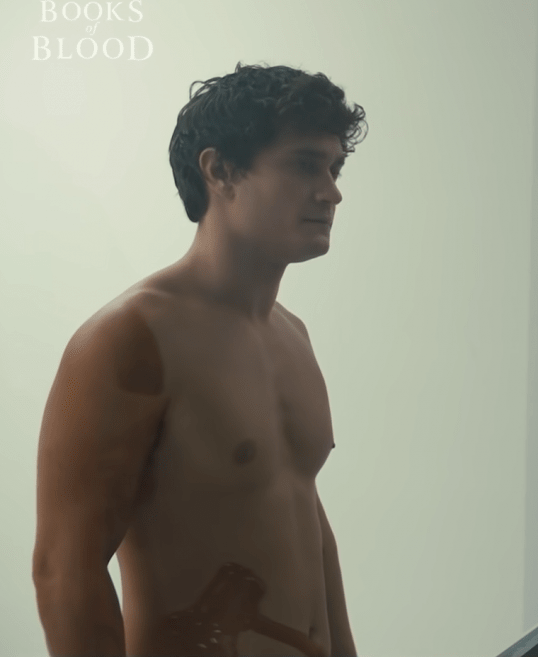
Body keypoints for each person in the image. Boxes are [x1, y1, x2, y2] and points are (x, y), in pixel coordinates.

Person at [31, 62, 367, 657]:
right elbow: (64, 570)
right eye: (304, 165)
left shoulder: (293, 335)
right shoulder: (129, 337)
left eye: (334, 168)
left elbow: (309, 527)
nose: (331, 191)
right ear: (219, 171)